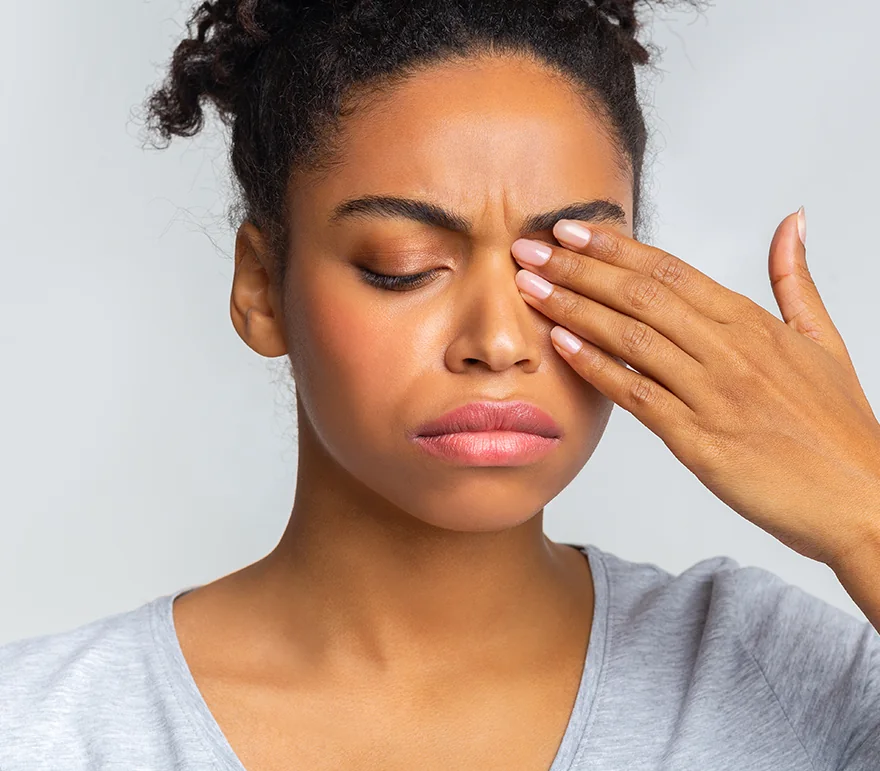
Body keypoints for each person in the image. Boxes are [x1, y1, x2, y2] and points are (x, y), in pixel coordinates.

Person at [2, 0, 879, 768]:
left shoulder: (777, 677)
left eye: (563, 270)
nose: (498, 341)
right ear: (261, 288)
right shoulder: (42, 728)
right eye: (404, 265)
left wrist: (867, 512)